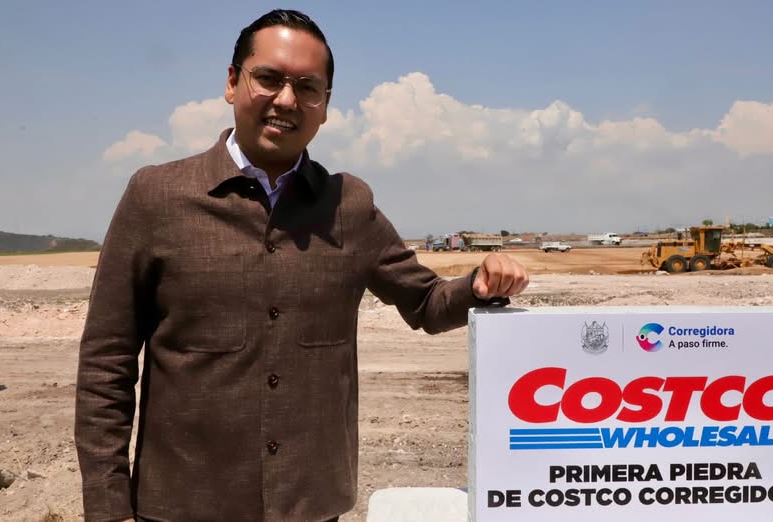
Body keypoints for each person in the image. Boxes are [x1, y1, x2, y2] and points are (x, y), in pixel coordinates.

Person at [74, 9, 529, 522]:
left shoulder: (348, 205)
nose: (287, 101)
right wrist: (108, 508)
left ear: (325, 106)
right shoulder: (156, 196)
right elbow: (107, 361)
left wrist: (480, 283)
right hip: (182, 505)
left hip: (311, 506)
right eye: (268, 78)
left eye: (308, 87)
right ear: (232, 82)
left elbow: (426, 302)